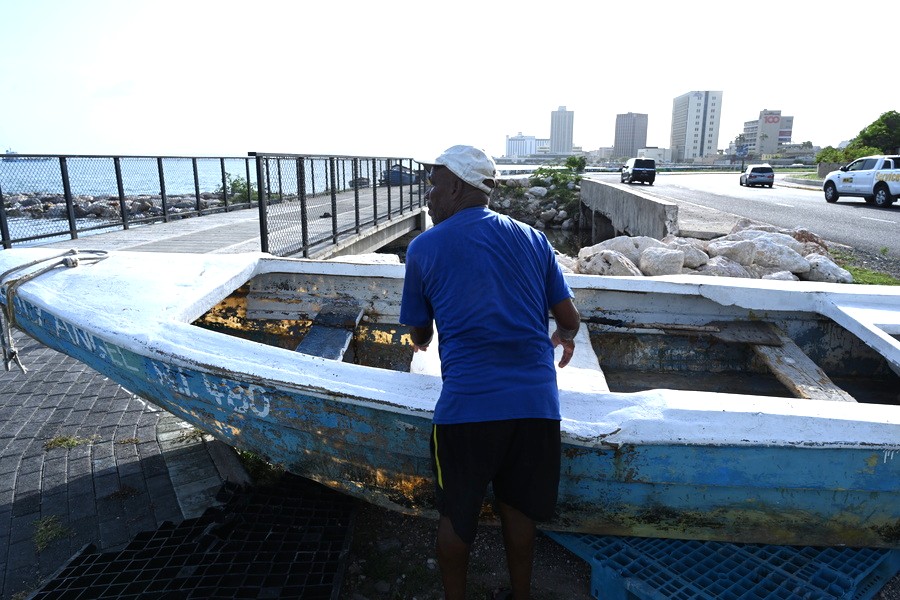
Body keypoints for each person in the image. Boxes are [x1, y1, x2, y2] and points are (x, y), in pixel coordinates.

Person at [399, 145, 581, 600]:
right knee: (518, 512)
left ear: (458, 186)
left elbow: (420, 328)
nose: (428, 195)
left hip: (469, 410)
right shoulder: (534, 239)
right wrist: (564, 336)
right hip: (536, 407)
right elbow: (570, 319)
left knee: (457, 517)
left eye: (434, 185)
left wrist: (421, 340)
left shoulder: (424, 247)